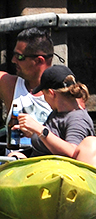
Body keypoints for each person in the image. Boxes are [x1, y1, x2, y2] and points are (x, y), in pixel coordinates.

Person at [5, 64, 96, 169]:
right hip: (40, 167)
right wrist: (33, 133)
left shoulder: (77, 119)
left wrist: (39, 129)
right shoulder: (56, 113)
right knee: (13, 155)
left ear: (51, 93)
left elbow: (72, 152)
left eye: (44, 94)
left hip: (57, 172)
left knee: (94, 142)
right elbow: (52, 138)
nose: (44, 99)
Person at [3, 27, 55, 155]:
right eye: (14, 55)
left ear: (39, 60)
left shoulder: (65, 94)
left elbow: (73, 143)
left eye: (20, 57)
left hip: (48, 162)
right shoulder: (8, 84)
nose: (13, 60)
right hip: (14, 161)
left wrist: (38, 132)